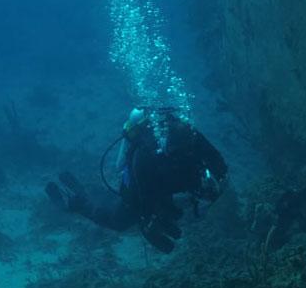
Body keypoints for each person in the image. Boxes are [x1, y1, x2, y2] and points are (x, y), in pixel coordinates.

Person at [44, 106, 228, 253]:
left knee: (153, 210)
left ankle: (89, 193)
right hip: (148, 186)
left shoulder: (187, 138)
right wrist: (148, 222)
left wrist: (212, 188)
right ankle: (78, 202)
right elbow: (141, 198)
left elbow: (219, 164)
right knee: (119, 221)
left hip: (166, 185)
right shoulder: (151, 152)